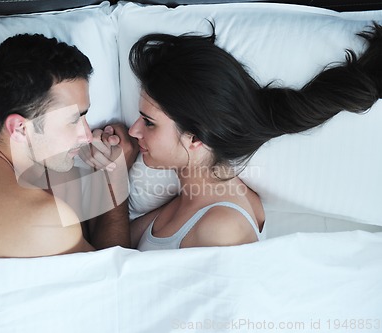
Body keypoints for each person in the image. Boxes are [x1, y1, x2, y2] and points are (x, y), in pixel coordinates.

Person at [88, 23, 381, 251]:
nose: (135, 130)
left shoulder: (220, 227)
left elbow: (109, 277)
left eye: (150, 123)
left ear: (195, 138)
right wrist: (112, 174)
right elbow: (108, 252)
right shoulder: (196, 197)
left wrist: (113, 180)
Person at [0, 34, 136, 258]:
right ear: (21, 129)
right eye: (73, 119)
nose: (87, 135)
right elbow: (119, 280)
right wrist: (116, 180)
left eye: (84, 116)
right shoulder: (47, 218)